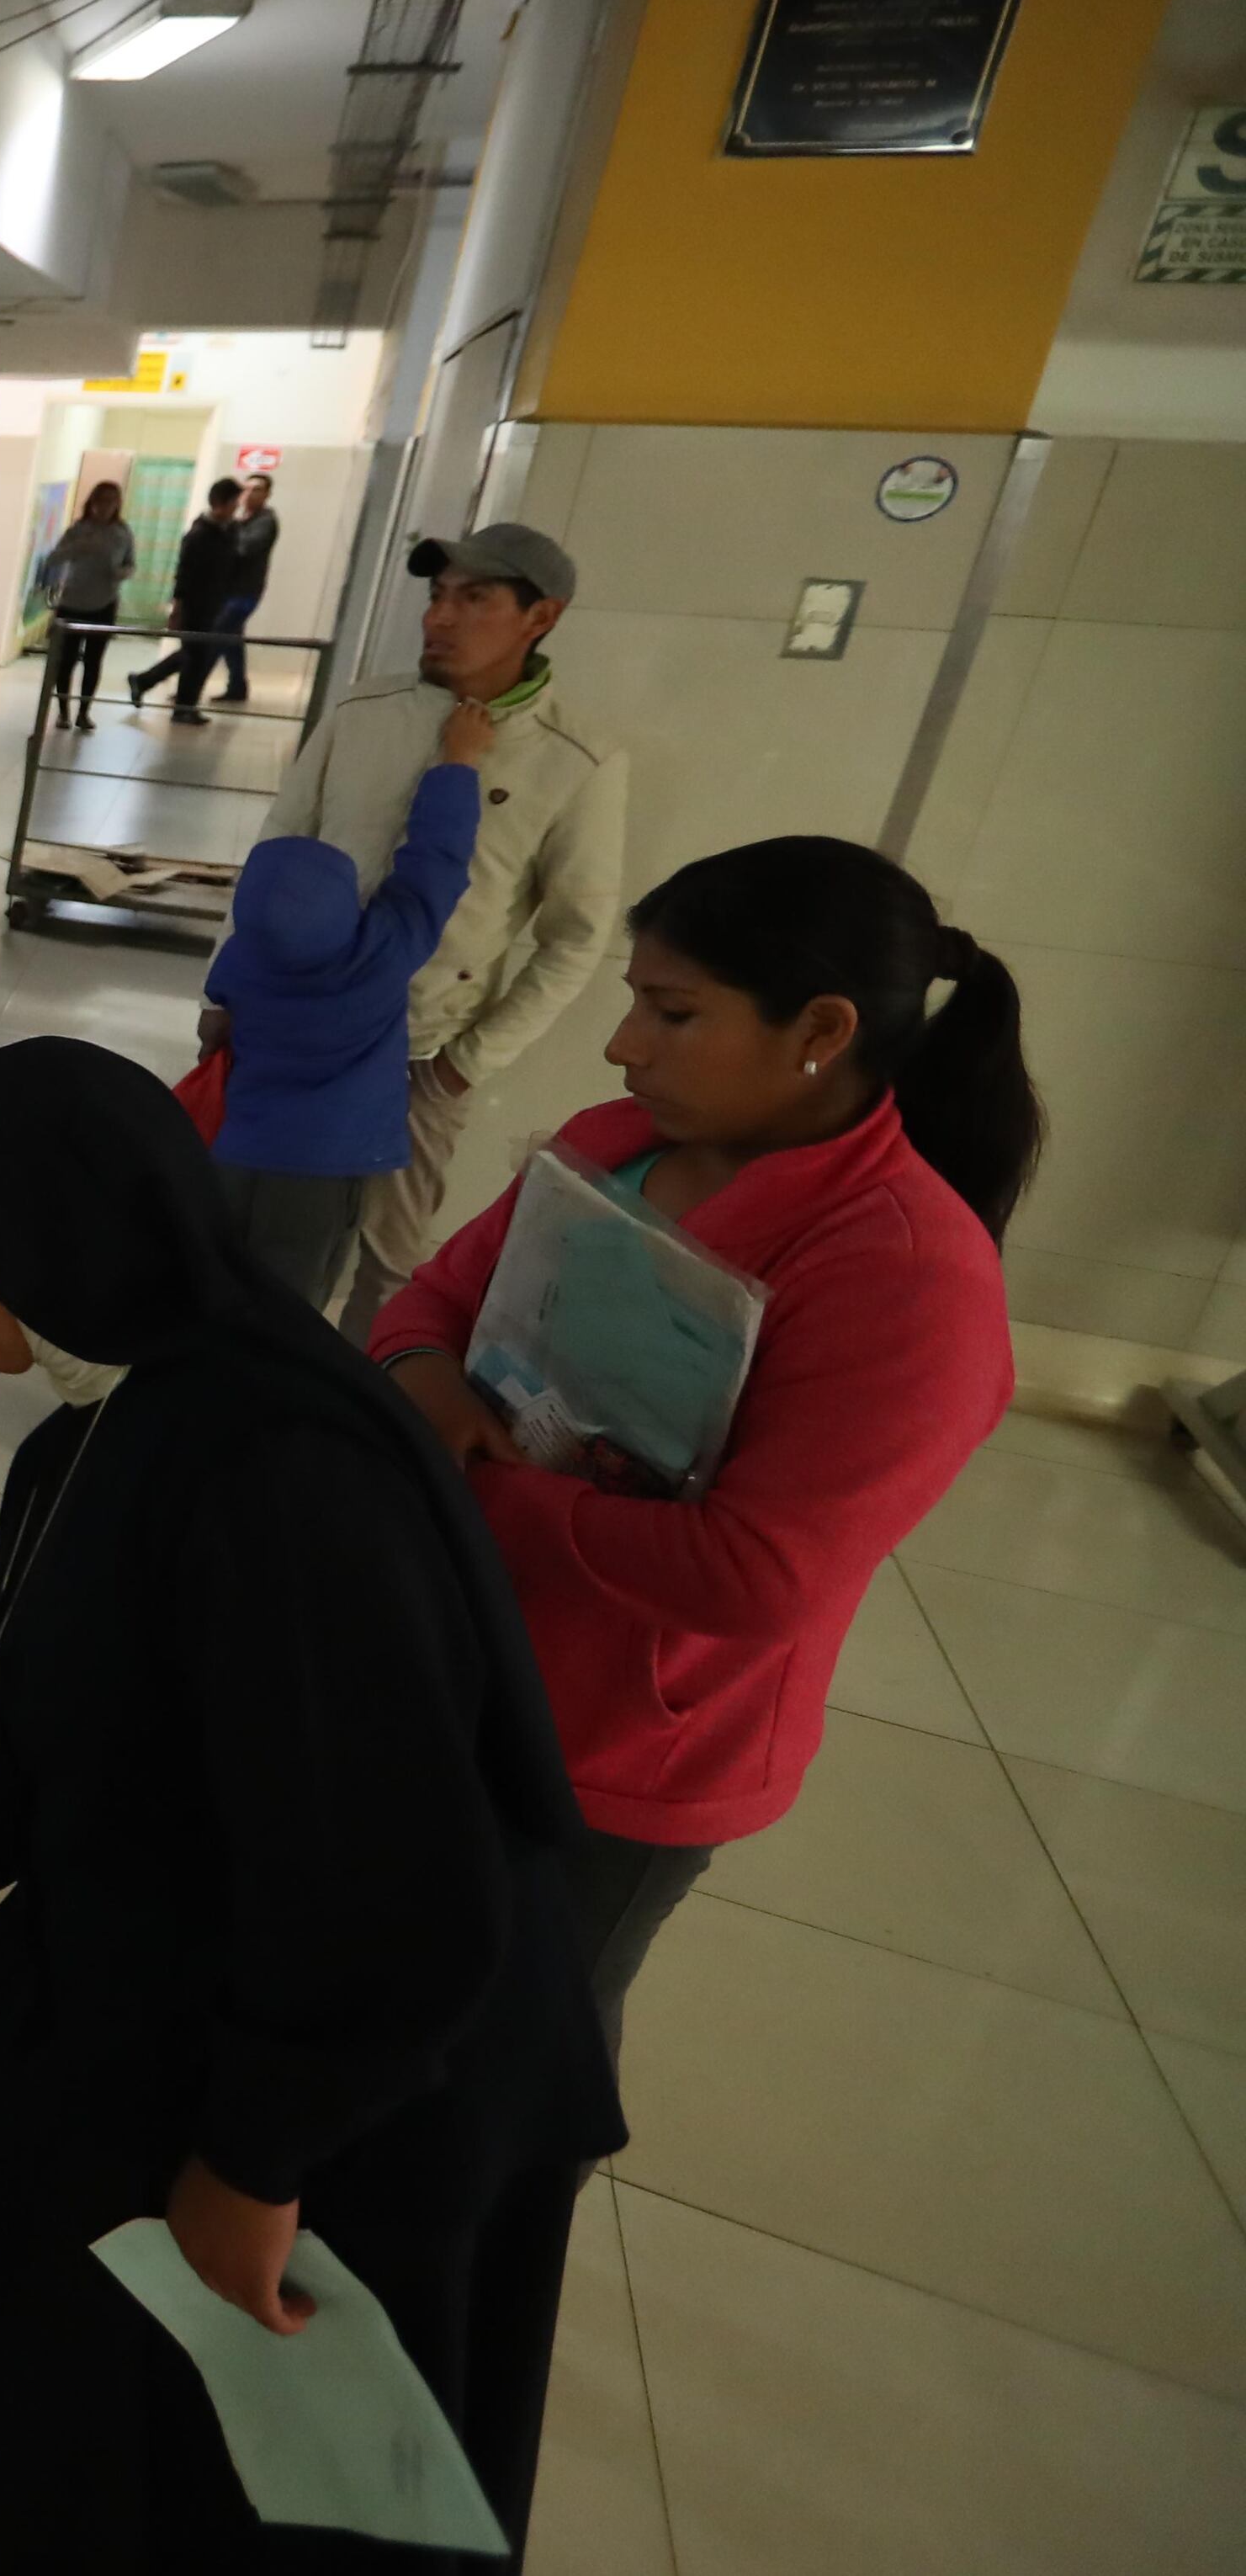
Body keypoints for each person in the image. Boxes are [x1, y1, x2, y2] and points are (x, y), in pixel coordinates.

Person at [0, 1038, 621, 2571]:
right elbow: (28, 1714)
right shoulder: (106, 1424)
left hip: (372, 2047)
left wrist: (257, 2156)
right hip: (201, 1933)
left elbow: (386, 1882)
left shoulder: (276, 1484)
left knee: (244, 2445)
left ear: (62, 1235)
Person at [372, 838, 1032, 2051]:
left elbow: (757, 1572)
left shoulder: (908, 1275)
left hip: (626, 1744)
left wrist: (469, 1479)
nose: (626, 1044)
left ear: (820, 1029)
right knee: (386, 2000)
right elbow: (430, 1300)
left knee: (512, 2064)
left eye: (672, 1012)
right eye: (636, 1001)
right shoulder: (615, 1144)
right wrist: (423, 1382)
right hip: (457, 1647)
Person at [246, 522, 627, 1336]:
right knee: (255, 1227)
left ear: (539, 617)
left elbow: (575, 935)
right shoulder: (362, 711)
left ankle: (345, 1423)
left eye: (473, 599)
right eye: (435, 596)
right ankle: (236, 1387)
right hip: (290, 1030)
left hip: (418, 1056)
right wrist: (226, 991)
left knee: (386, 1262)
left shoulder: (574, 759)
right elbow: (273, 852)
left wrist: (463, 1065)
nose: (439, 618)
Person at [200, 699, 491, 1305]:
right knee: (291, 1302)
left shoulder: (242, 965)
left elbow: (222, 1008)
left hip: (237, 1153)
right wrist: (458, 762)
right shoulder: (381, 954)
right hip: (326, 1170)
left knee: (215, 1279)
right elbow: (435, 863)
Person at [120, 475, 245, 722]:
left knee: (194, 654)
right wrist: (177, 607)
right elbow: (184, 574)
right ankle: (183, 706)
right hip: (195, 604)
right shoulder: (199, 535)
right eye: (233, 503)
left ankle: (148, 683)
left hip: (215, 603)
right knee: (196, 655)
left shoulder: (227, 532)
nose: (236, 508)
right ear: (220, 502)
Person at [31, 481, 135, 733]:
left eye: (112, 501)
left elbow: (131, 563)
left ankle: (84, 712)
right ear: (92, 503)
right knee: (65, 661)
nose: (106, 507)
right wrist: (77, 548)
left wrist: (122, 573)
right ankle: (63, 711)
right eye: (101, 501)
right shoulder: (79, 529)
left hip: (105, 603)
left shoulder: (122, 532)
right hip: (73, 602)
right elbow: (53, 558)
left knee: (93, 661)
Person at [217, 470, 282, 705]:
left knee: (213, 638)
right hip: (230, 591)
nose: (250, 494)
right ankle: (237, 687)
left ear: (267, 494)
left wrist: (228, 533)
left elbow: (244, 549)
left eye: (257, 490)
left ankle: (170, 683)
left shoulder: (265, 522)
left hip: (244, 593)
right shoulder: (241, 520)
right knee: (231, 640)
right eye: (247, 489)